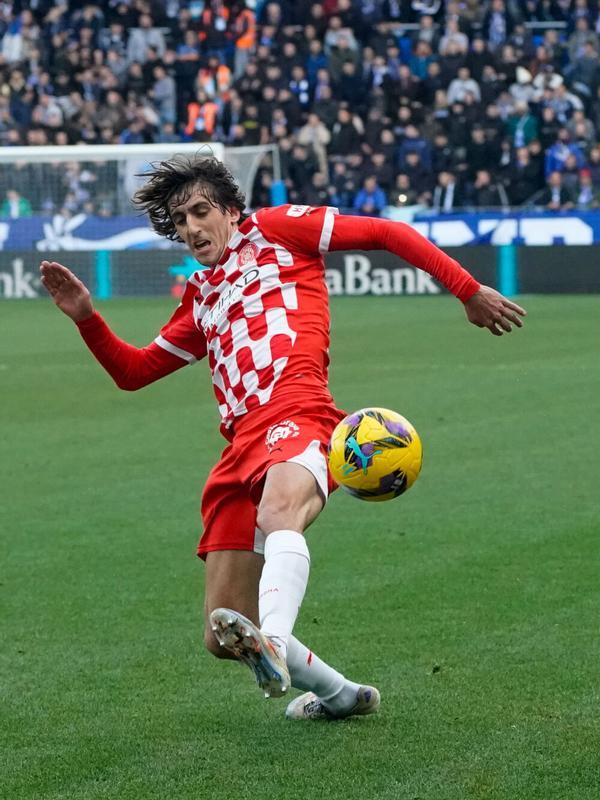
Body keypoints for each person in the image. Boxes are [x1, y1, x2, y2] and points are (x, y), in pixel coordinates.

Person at [39, 155, 526, 721]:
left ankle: (274, 638)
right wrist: (86, 318)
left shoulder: (275, 230)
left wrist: (466, 290)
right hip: (240, 447)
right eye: (181, 220)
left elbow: (387, 232)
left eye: (201, 211)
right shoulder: (200, 299)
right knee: (223, 634)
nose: (193, 227)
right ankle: (341, 695)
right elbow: (134, 372)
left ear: (229, 210)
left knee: (279, 515)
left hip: (300, 411)